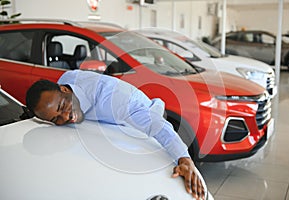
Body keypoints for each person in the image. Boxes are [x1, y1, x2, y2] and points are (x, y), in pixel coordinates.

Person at [26, 70, 205, 200]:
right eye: (56, 119)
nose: (65, 117)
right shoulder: (67, 79)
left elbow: (158, 126)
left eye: (62, 108)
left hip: (137, 129)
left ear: (64, 91)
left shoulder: (117, 102)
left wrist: (184, 159)